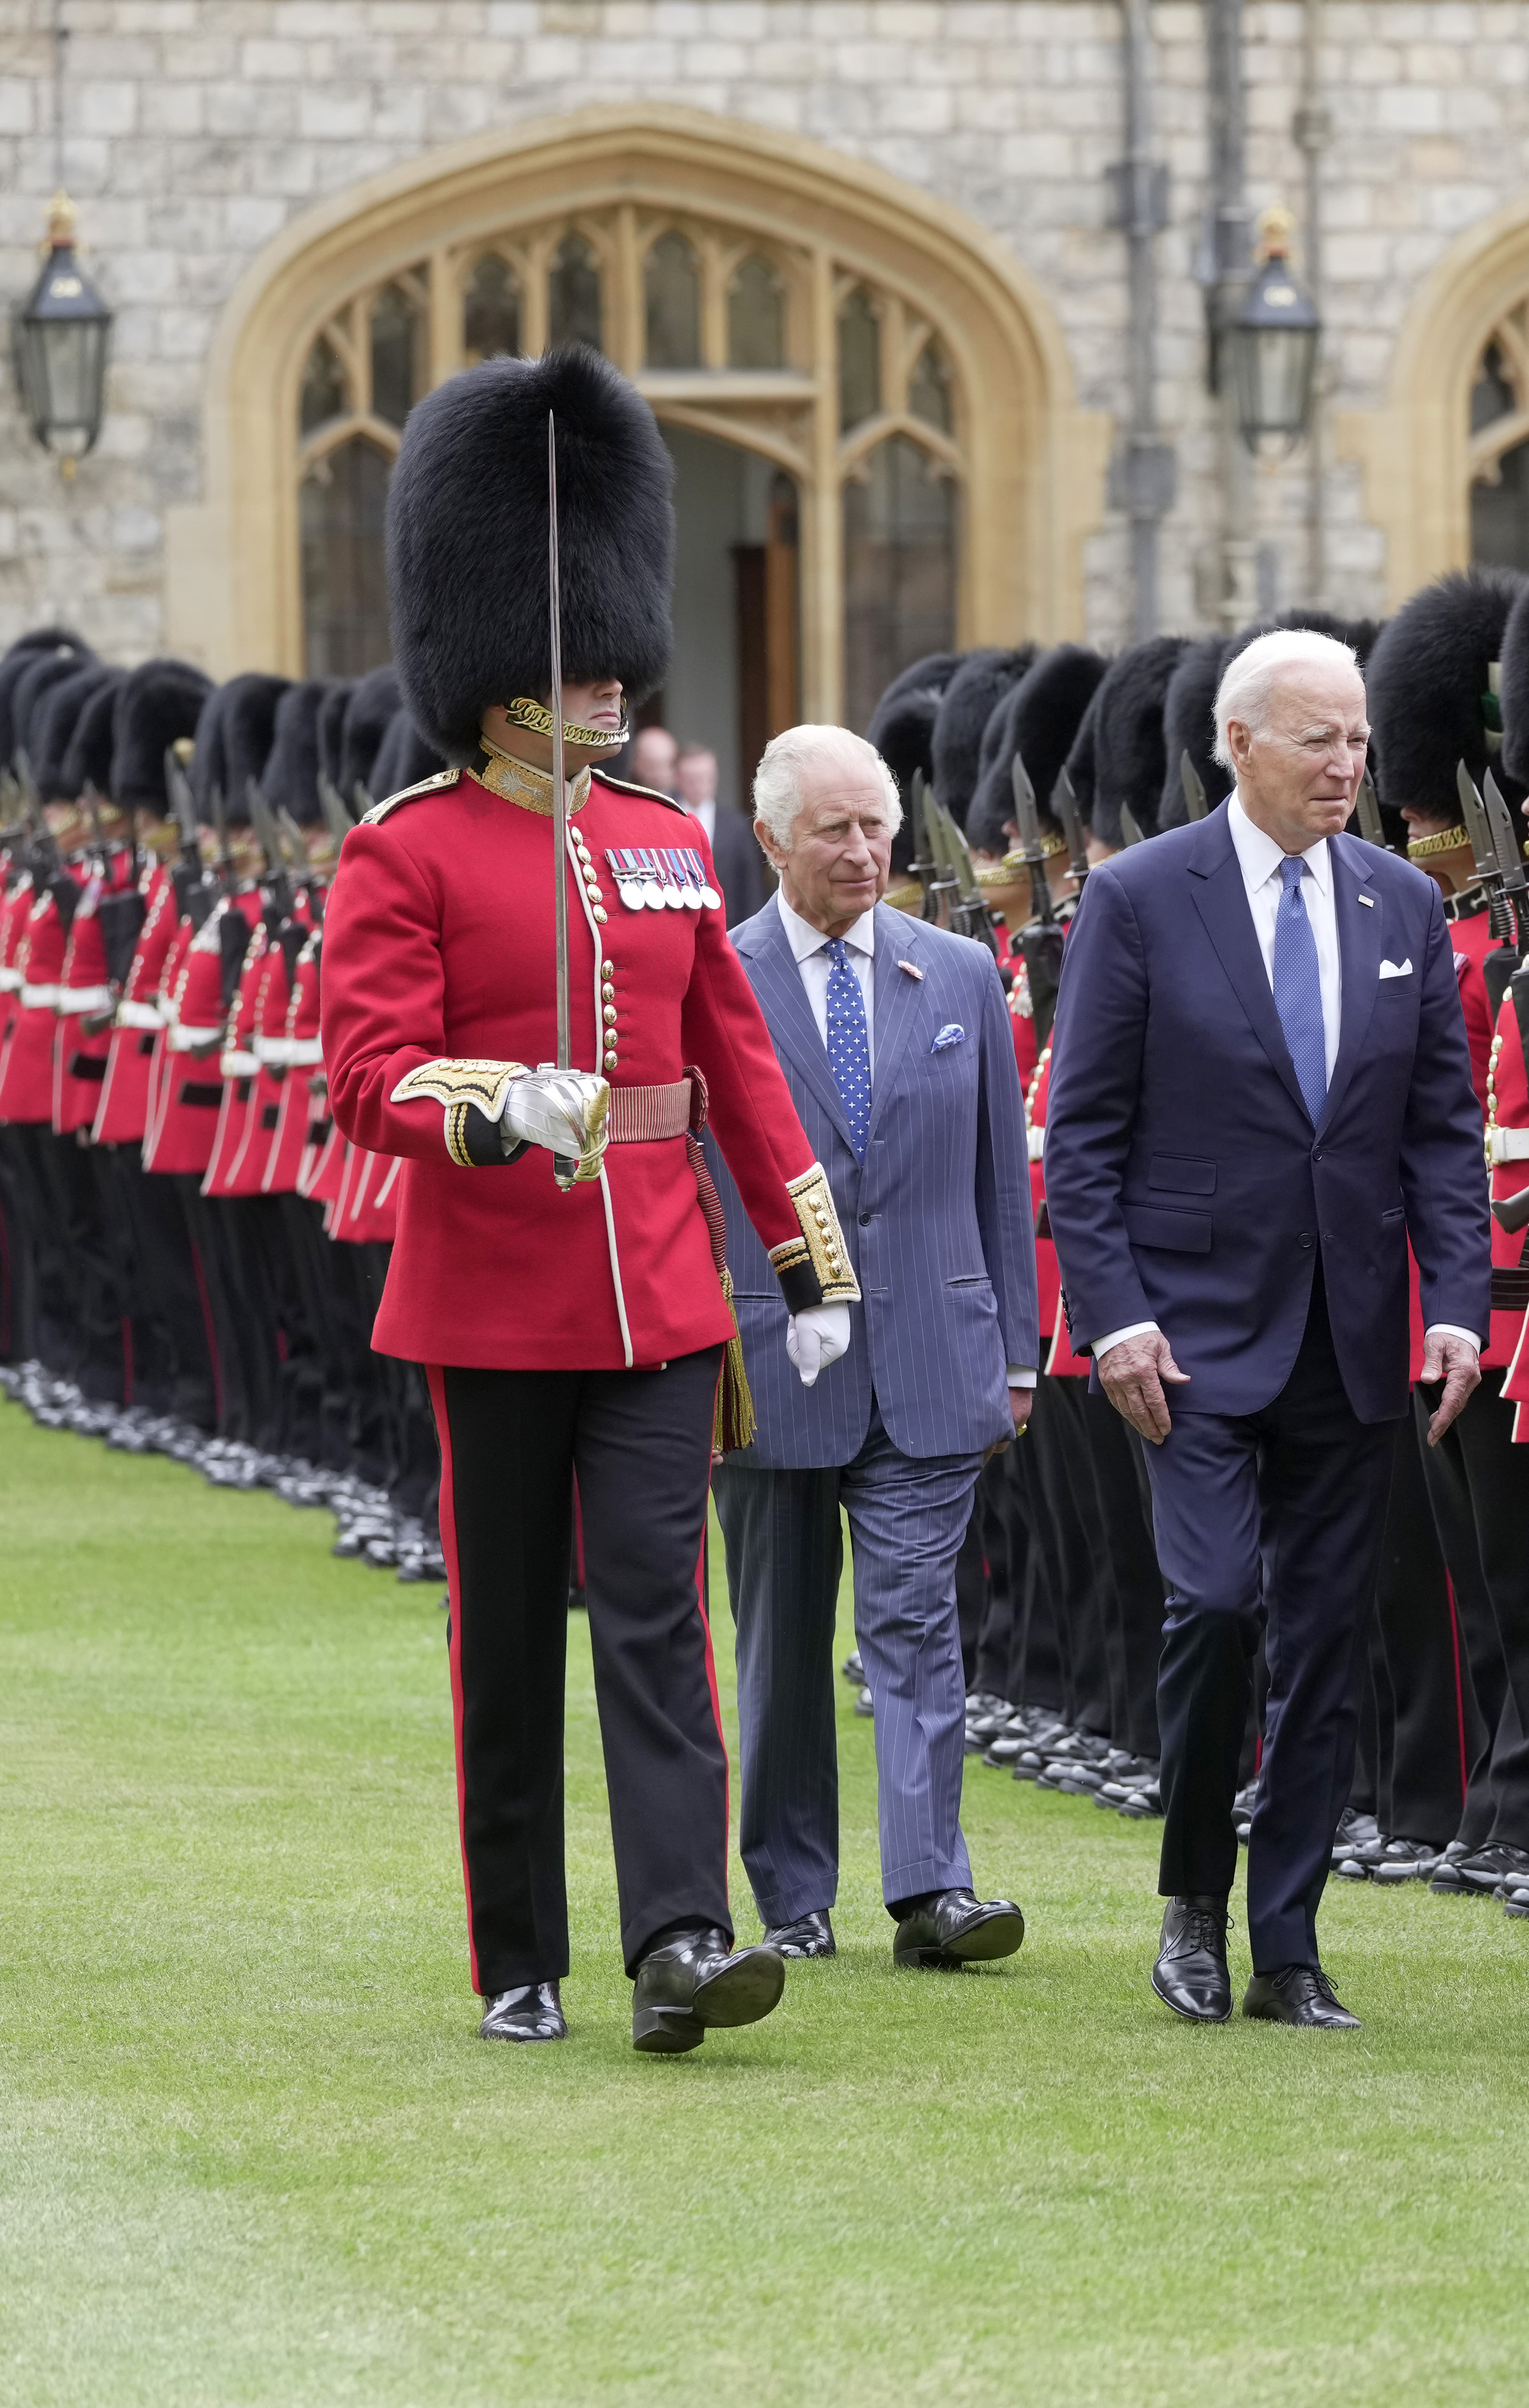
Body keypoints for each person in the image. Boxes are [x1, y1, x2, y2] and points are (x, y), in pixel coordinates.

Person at [318, 346, 859, 2054]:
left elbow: (736, 1066)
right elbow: (365, 1073)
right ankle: (518, 1950)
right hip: (489, 1289)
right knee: (502, 1638)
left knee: (657, 1609)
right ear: (493, 677)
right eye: (579, 651)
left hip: (658, 1289)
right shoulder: (404, 848)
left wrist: (805, 1246)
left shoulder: (665, 839)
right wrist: (493, 1107)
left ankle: (681, 1936)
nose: (611, 673)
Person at [1044, 626, 1489, 2031]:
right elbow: (1084, 1137)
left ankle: (1286, 1936)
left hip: (1350, 1337)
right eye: (1318, 738)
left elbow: (1439, 1133)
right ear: (1236, 743)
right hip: (1188, 1337)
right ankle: (1191, 1898)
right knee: (1218, 1606)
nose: (1345, 764)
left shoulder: (1399, 905)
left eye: (1356, 739)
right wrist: (1110, 1317)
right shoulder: (1138, 898)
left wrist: (1460, 1309)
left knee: (1324, 1635)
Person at [707, 719, 1035, 1973]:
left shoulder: (953, 971)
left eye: (877, 827)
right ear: (773, 840)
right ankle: (793, 1893)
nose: (863, 852)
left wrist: (1017, 1346)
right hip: (776, 1355)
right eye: (836, 831)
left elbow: (1000, 1172)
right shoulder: (720, 976)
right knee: (783, 1644)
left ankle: (929, 1887)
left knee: (915, 1623)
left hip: (932, 1348)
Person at [682, 743, 775, 927]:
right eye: (691, 779)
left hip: (728, 924)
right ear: (679, 778)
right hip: (683, 922)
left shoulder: (736, 826)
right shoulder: (667, 819)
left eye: (703, 778)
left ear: (714, 778)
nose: (698, 785)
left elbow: (751, 885)